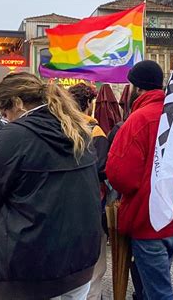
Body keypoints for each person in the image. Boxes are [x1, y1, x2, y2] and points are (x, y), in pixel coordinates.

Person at [0, 72, 102, 299]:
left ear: (17, 104)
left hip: (27, 271)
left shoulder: (15, 135)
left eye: (5, 112)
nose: (5, 118)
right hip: (78, 267)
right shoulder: (77, 129)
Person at [106, 60, 173, 299]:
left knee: (158, 292)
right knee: (152, 287)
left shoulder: (138, 120)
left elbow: (120, 175)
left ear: (137, 89)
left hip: (147, 219)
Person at [68, 83, 109, 300]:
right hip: (89, 206)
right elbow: (102, 168)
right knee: (95, 265)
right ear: (89, 104)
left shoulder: (55, 127)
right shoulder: (94, 130)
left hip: (58, 205)